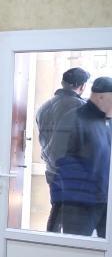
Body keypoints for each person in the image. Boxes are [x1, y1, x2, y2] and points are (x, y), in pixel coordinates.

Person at [52, 76, 112, 238]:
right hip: (79, 204)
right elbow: (58, 157)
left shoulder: (108, 122)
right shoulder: (74, 119)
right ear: (100, 97)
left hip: (106, 201)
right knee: (76, 247)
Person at [36, 67, 90, 231]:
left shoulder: (43, 107)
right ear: (82, 86)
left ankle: (51, 242)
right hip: (73, 172)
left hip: (52, 170)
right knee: (73, 218)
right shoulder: (81, 107)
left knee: (57, 209)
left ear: (63, 82)